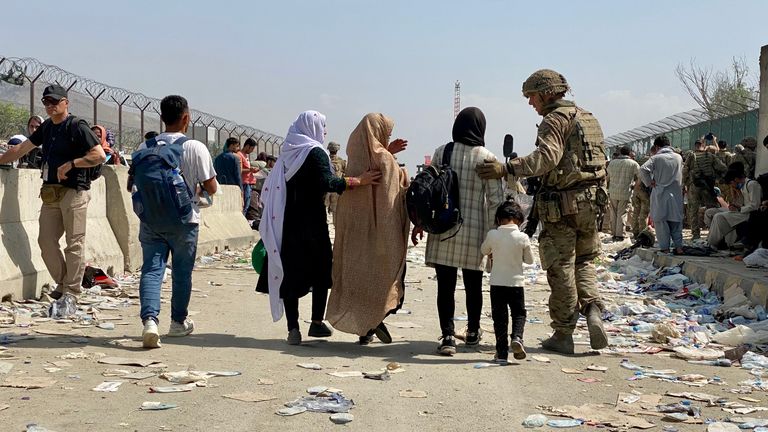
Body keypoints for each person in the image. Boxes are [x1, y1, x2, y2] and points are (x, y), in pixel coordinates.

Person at [475, 69, 609, 354]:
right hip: (591, 203)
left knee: (560, 267)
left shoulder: (554, 120)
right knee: (584, 261)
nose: (530, 103)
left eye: (532, 96)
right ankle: (593, 308)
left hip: (563, 205)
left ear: (547, 93)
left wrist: (507, 168)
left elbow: (546, 159)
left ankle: (563, 333)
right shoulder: (588, 117)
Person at [257, 110, 380, 345]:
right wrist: (359, 181)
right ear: (312, 128)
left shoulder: (287, 153)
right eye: (322, 127)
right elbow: (328, 182)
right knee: (322, 271)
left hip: (288, 221)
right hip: (312, 223)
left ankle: (293, 329)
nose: (324, 132)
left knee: (290, 274)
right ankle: (316, 323)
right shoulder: (315, 153)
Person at [0, 84, 106, 300]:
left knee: (74, 244)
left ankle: (71, 292)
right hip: (51, 192)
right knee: (46, 241)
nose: (50, 106)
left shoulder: (77, 126)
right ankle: (64, 282)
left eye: (55, 102)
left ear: (66, 102)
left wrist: (73, 163)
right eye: (46, 102)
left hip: (74, 191)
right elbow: (22, 148)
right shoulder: (47, 127)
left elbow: (99, 155)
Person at [413, 107, 503, 356]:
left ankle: (448, 335)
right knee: (473, 285)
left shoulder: (444, 151)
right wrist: (496, 234)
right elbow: (495, 200)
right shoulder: (488, 158)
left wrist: (422, 221)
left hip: (444, 227)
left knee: (446, 286)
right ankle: (473, 332)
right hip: (475, 230)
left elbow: (429, 188)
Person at [134, 95, 218, 349]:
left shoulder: (144, 146)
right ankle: (177, 323)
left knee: (152, 269)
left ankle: (150, 321)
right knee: (181, 273)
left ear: (162, 118)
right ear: (186, 118)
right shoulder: (195, 147)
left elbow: (134, 184)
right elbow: (211, 187)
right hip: (185, 220)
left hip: (151, 220)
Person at [326, 114, 409, 344]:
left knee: (358, 276)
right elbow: (394, 188)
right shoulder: (383, 158)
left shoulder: (355, 159)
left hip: (354, 231)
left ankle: (366, 327)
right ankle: (372, 322)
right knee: (385, 277)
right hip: (382, 234)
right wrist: (400, 169)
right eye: (386, 134)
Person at [480, 201, 534, 363]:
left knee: (499, 318)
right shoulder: (523, 237)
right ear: (519, 219)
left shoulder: (492, 235)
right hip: (516, 284)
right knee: (518, 313)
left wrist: (494, 252)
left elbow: (484, 251)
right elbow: (530, 260)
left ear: (498, 219)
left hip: (497, 283)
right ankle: (517, 337)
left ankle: (501, 353)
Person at [639, 136, 685, 255]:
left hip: (660, 193)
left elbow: (643, 169)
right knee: (676, 221)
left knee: (661, 222)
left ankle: (665, 248)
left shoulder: (656, 158)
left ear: (657, 146)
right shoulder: (678, 157)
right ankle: (679, 247)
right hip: (676, 194)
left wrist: (649, 182)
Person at [708, 165, 763, 250]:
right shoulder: (743, 187)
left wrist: (740, 209)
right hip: (743, 212)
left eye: (731, 183)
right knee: (717, 216)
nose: (732, 185)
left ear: (736, 179)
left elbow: (755, 205)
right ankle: (713, 242)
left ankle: (713, 243)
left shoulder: (752, 185)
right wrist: (735, 206)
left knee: (719, 217)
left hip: (750, 215)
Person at [683, 139, 727, 240]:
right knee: (712, 208)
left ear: (695, 146)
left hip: (694, 185)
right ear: (704, 145)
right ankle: (713, 232)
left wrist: (685, 184)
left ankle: (696, 234)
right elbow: (722, 167)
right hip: (708, 186)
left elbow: (685, 170)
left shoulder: (691, 156)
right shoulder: (710, 156)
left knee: (693, 210)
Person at [606, 146, 639, 241]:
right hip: (625, 192)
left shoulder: (612, 163)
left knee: (614, 213)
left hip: (613, 192)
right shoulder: (633, 163)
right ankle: (619, 235)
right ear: (629, 154)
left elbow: (607, 177)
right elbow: (640, 177)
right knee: (622, 213)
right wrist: (634, 186)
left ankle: (614, 233)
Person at [631, 149, 653, 239]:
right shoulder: (651, 162)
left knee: (636, 212)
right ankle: (642, 233)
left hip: (636, 189)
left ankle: (635, 232)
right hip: (645, 190)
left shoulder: (638, 161)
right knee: (644, 213)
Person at [325, 141, 347, 223]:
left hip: (326, 188)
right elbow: (346, 172)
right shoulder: (341, 161)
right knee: (335, 211)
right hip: (336, 189)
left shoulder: (325, 159)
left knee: (324, 208)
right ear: (337, 150)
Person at [238, 138, 259, 216]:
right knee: (244, 206)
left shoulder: (245, 156)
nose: (252, 151)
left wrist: (252, 170)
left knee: (246, 205)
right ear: (247, 146)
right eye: (252, 148)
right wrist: (250, 169)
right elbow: (239, 170)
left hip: (248, 184)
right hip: (244, 184)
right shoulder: (240, 155)